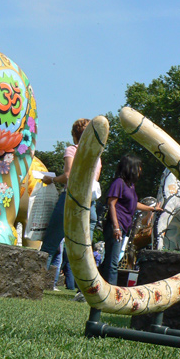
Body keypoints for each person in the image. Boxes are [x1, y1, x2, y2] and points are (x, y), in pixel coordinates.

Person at [40, 119, 102, 291]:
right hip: (90, 205)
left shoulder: (72, 150)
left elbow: (68, 176)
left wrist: (51, 179)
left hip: (70, 201)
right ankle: (87, 291)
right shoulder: (97, 155)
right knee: (85, 252)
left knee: (50, 245)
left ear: (75, 135)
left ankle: (34, 283)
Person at [98, 154, 161, 285]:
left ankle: (93, 286)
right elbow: (111, 204)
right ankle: (113, 293)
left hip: (125, 226)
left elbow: (134, 204)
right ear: (131, 167)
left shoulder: (130, 186)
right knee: (113, 262)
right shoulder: (118, 183)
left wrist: (152, 209)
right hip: (116, 225)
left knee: (109, 260)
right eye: (138, 167)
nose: (140, 170)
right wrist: (116, 227)